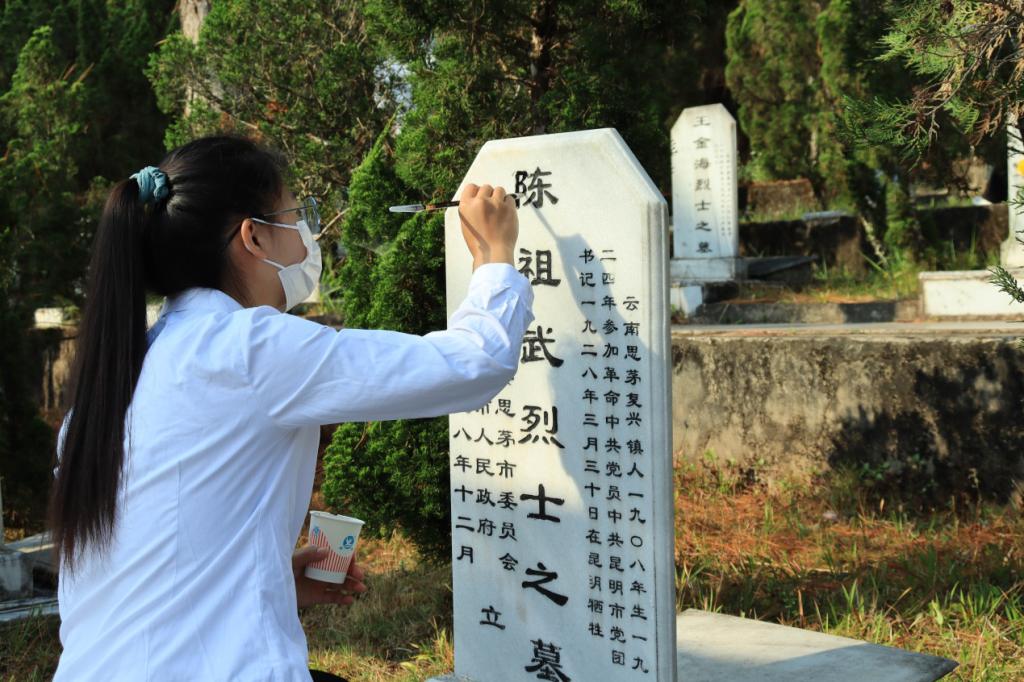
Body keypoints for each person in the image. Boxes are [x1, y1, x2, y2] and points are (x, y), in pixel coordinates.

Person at [46, 133, 534, 681]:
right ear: (253, 236)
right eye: (296, 216)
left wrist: (269, 577)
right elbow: (474, 362)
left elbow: (135, 557)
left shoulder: (116, 379)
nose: (307, 236)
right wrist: (494, 256)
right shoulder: (246, 349)